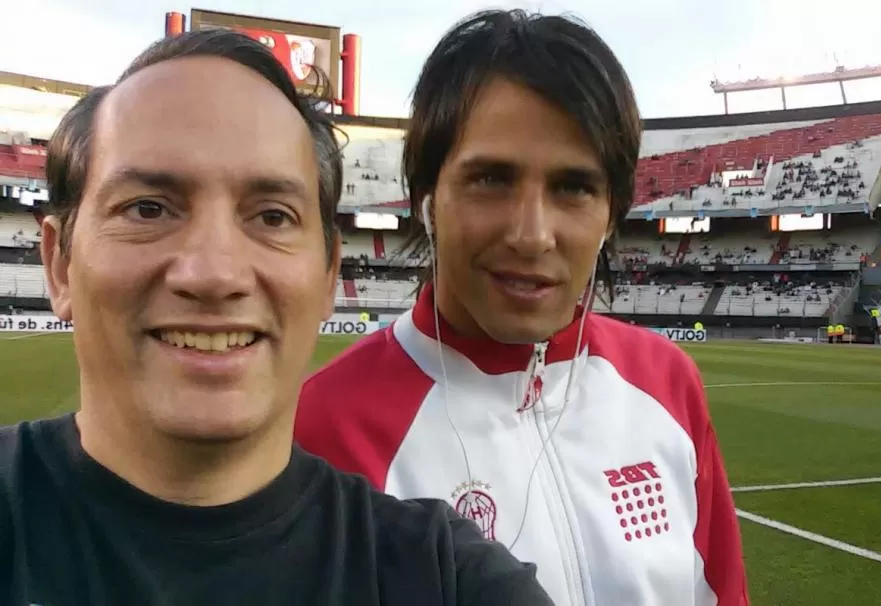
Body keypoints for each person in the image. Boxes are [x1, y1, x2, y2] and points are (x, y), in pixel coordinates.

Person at [0, 29, 553, 606]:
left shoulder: (448, 580)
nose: (215, 274)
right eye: (148, 208)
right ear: (59, 265)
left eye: (271, 216)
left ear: (327, 275)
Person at [296, 9, 749, 606]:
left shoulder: (667, 384)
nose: (532, 235)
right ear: (429, 200)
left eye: (573, 187)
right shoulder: (322, 426)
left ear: (611, 211)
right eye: (491, 179)